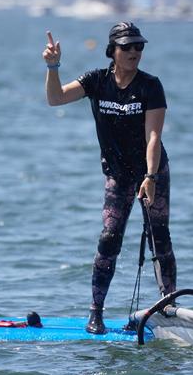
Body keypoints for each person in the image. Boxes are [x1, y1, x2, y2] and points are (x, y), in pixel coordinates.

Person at [42, 22, 177, 334]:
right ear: (112, 51)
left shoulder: (150, 86)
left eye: (139, 46)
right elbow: (56, 99)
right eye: (127, 47)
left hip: (151, 171)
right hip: (117, 176)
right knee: (109, 239)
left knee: (160, 236)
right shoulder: (96, 81)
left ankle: (168, 305)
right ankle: (96, 312)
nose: (134, 52)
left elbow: (153, 137)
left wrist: (151, 176)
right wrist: (53, 67)